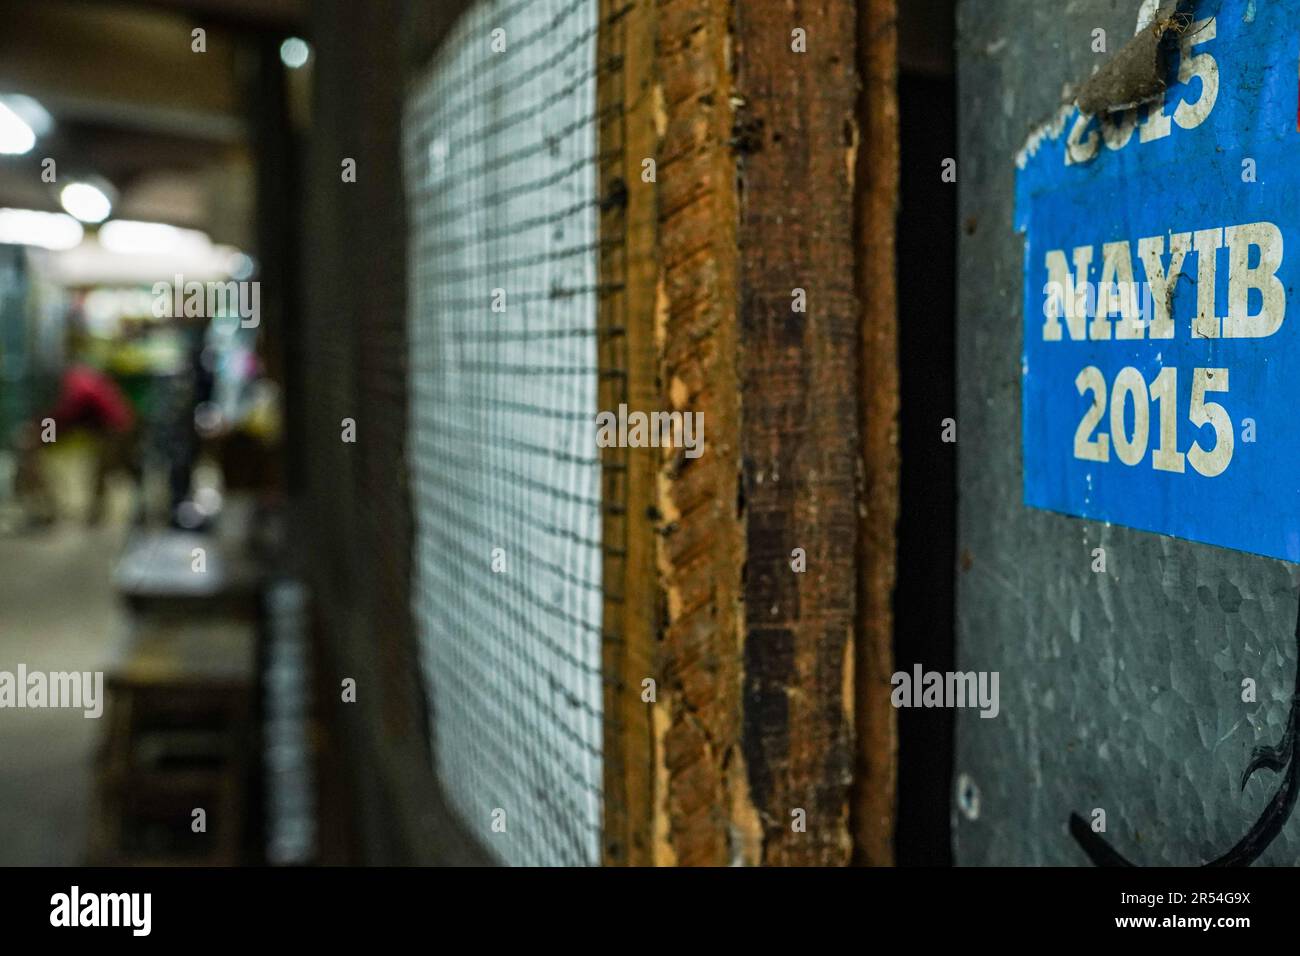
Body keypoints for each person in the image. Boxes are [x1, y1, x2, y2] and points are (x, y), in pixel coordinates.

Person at [43, 363, 141, 525]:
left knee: (107, 469)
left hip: (115, 427)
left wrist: (47, 436)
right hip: (115, 426)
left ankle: (103, 513)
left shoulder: (77, 385)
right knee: (108, 469)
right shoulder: (80, 378)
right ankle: (99, 512)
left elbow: (66, 415)